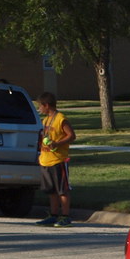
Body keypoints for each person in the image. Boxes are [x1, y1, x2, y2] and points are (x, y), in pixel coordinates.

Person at [35, 92, 77, 227]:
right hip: (45, 159)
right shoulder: (46, 120)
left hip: (58, 160)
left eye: (40, 106)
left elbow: (71, 135)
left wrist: (57, 143)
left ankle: (65, 216)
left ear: (46, 105)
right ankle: (53, 215)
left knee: (62, 189)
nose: (39, 109)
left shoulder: (60, 119)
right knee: (51, 190)